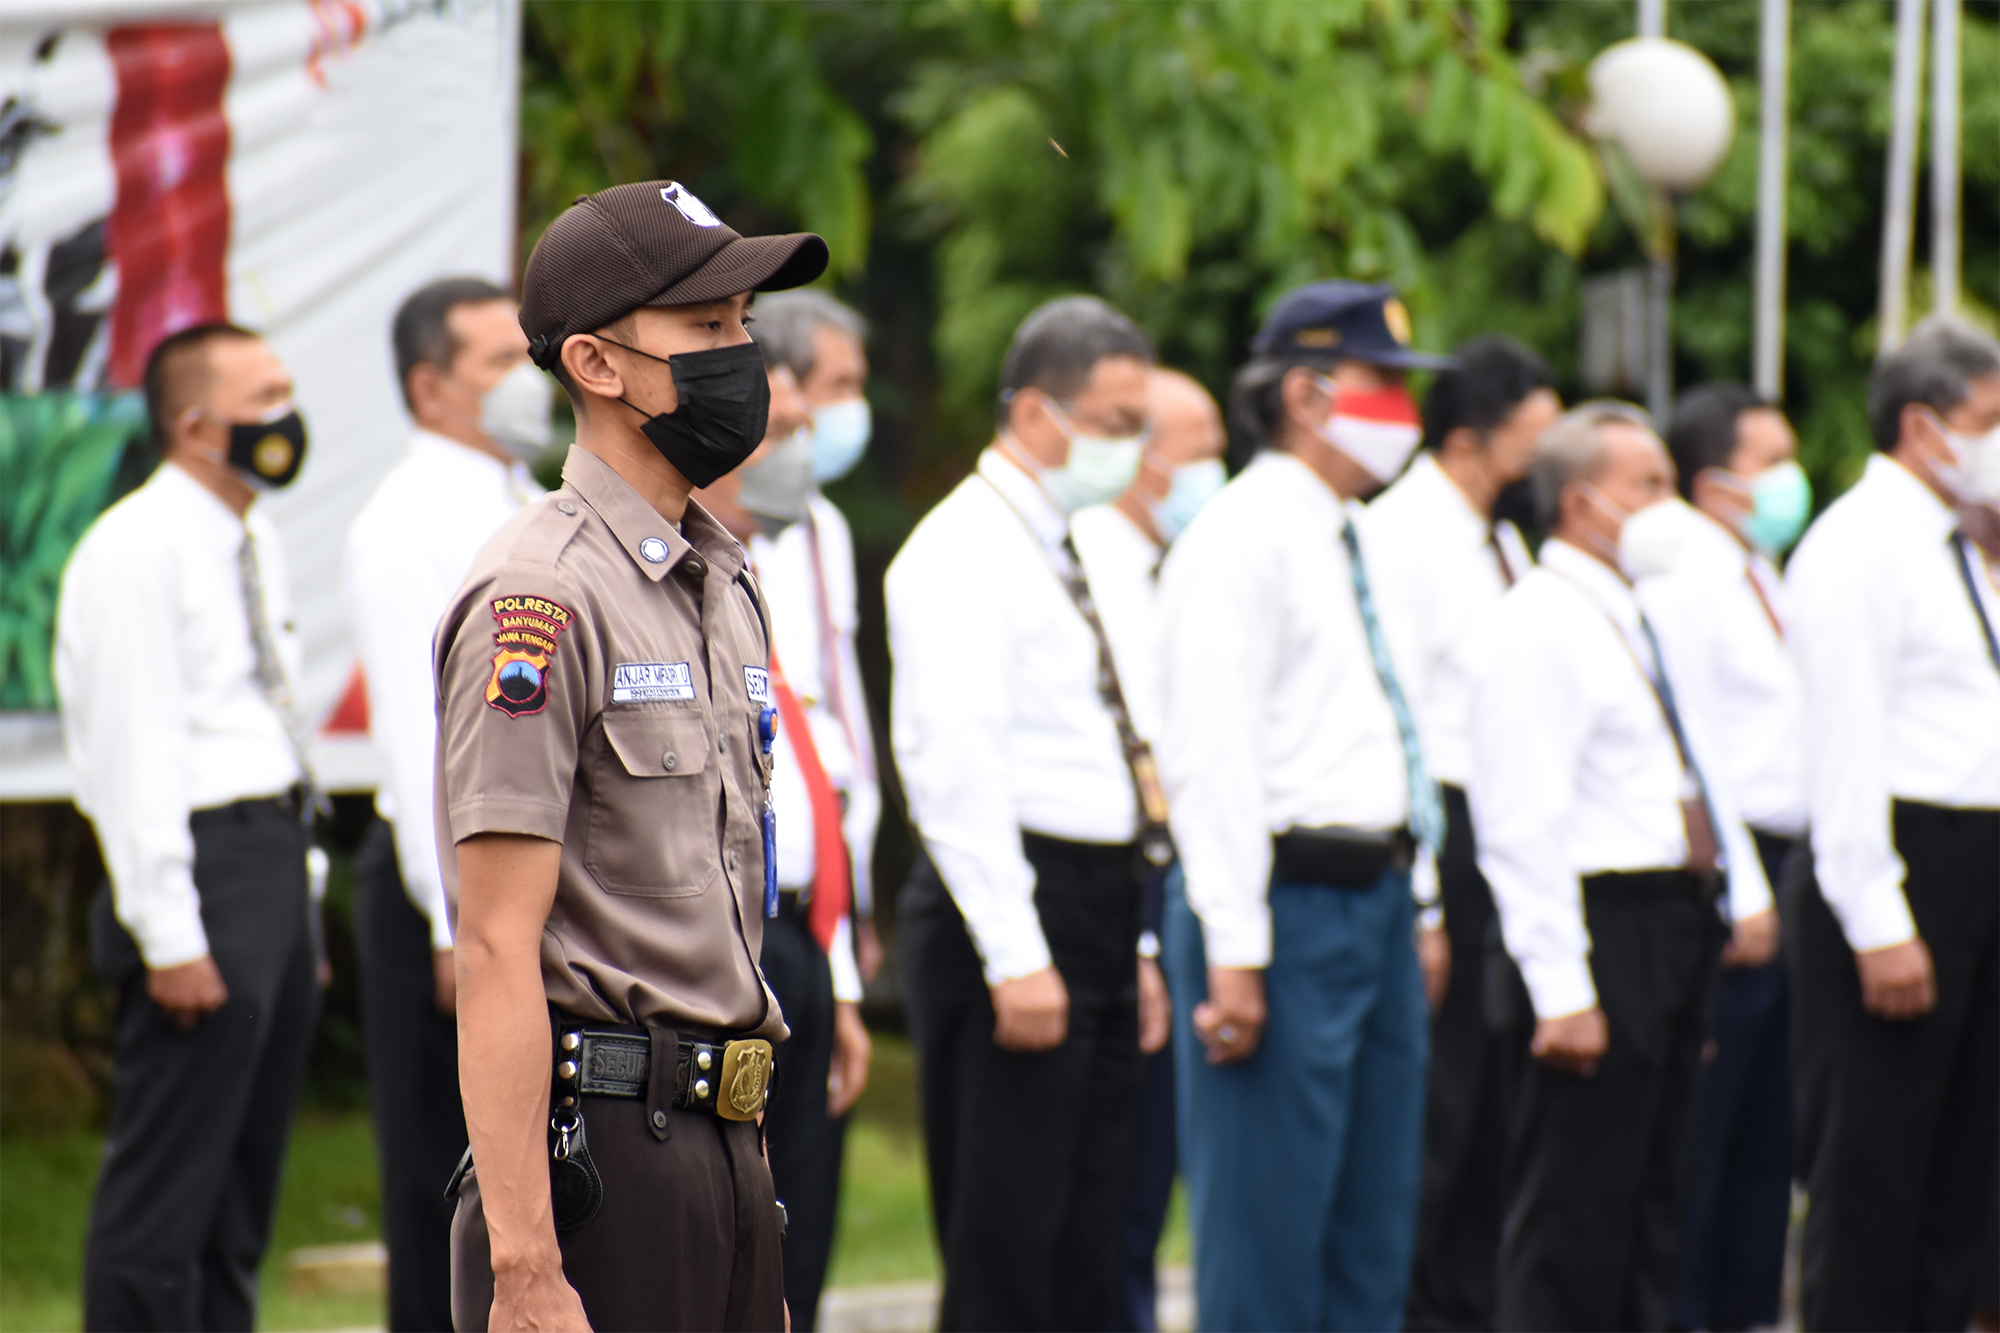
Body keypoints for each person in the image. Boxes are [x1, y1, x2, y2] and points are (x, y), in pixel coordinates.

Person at [435, 180, 826, 1333]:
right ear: (598, 366)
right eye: (706, 330)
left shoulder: (725, 580)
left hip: (726, 1143)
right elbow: (498, 941)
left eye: (743, 325)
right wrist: (523, 1264)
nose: (740, 355)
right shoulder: (541, 593)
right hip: (601, 1160)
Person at [1155, 281, 1451, 1332]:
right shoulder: (1240, 535)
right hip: (1280, 909)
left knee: (1371, 1232)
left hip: (1367, 898)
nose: (1404, 413)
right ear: (1305, 394)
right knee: (1268, 1240)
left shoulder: (1350, 532)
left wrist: (1414, 904)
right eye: (1383, 384)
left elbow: (1382, 735)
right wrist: (1233, 945)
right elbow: (1212, 756)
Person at [1467, 402, 1776, 1332]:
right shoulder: (1538, 622)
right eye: (1647, 486)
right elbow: (1520, 822)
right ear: (1581, 501)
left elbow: (1695, 764)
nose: (1667, 506)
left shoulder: (1635, 611)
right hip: (1598, 928)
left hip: (1668, 918)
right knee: (1573, 1207)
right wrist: (1562, 988)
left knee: (1653, 1193)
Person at [886, 295, 1161, 1331]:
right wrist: (1014, 952)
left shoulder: (1073, 539)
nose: (1131, 445)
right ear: (1039, 414)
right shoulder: (960, 548)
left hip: (1094, 896)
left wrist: (1128, 940)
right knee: (1007, 1236)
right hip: (1009, 899)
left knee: (1088, 1230)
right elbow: (952, 770)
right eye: (1116, 419)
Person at [58, 323, 322, 1331]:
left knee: (239, 1186)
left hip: (266, 865)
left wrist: (292, 906)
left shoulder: (250, 537)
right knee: (167, 1182)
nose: (285, 416)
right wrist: (170, 933)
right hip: (199, 872)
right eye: (263, 396)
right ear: (194, 423)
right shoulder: (137, 548)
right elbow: (132, 758)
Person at [1784, 317, 2000, 1331]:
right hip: (1899, 869)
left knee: (1958, 1171)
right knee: (1872, 1171)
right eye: (1988, 419)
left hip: (1974, 863)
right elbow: (1843, 750)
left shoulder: (1956, 545)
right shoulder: (1857, 545)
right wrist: (1877, 918)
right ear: (1922, 426)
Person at [343, 276, 549, 1332]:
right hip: (449, 889)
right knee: (444, 1183)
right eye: (496, 363)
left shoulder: (523, 498)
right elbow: (420, 738)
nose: (528, 379)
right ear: (431, 386)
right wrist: (454, 922)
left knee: (526, 1177)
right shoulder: (406, 521)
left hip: (519, 884)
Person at [1361, 335, 1558, 1333]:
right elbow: (1394, 709)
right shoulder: (1400, 534)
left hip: (1509, 824)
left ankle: (1474, 1306)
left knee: (1495, 1099)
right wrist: (1431, 894)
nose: (1549, 454)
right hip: (1445, 823)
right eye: (1535, 432)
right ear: (1475, 437)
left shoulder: (1503, 535)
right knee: (1441, 1104)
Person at [688, 343, 873, 1332]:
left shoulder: (794, 550)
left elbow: (824, 760)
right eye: (781, 430)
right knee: (725, 1226)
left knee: (804, 1220)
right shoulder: (670, 572)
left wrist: (837, 969)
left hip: (798, 925)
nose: (795, 451)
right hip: (713, 940)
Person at [1622, 384, 1809, 1333]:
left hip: (1793, 860)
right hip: (1735, 872)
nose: (1789, 479)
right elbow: (1694, 744)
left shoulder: (1765, 572)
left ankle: (1743, 1309)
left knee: (1769, 1130)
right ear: (1714, 482)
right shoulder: (1684, 585)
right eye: (1768, 461)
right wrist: (1741, 883)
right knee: (1709, 1120)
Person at [1068, 367, 1226, 1332]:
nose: (1214, 464)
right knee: (1114, 1193)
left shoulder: (1182, 559)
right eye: (1195, 443)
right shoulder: (1093, 561)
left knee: (1152, 1174)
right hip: (1124, 896)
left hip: (1184, 892)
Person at [748, 289, 886, 984]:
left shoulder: (823, 526)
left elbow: (836, 705)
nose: (849, 411)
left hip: (825, 857)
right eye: (840, 387)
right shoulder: (725, 518)